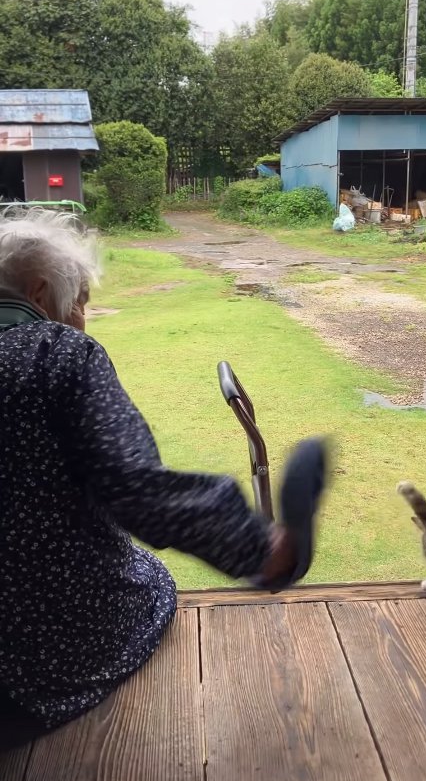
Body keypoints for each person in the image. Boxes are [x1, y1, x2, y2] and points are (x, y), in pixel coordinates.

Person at [0, 208, 326, 750]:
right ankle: (277, 554)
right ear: (38, 294)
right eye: (80, 305)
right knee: (148, 579)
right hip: (31, 675)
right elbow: (134, 486)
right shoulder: (56, 353)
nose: (83, 320)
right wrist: (258, 548)